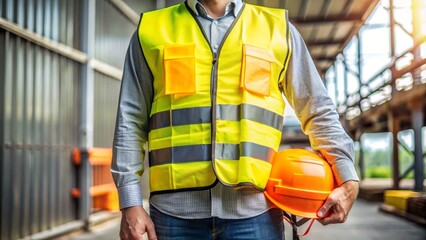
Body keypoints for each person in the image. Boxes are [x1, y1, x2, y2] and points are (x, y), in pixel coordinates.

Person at [111, 0, 359, 239]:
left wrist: (347, 177)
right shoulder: (153, 30)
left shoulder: (278, 30)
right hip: (174, 216)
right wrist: (129, 201)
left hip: (256, 213)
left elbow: (318, 110)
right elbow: (130, 120)